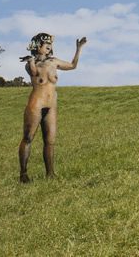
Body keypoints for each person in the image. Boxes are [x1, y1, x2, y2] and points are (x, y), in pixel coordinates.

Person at [18, 33, 87, 182]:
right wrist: (31, 61)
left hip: (51, 105)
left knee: (50, 140)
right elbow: (34, 72)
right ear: (37, 46)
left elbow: (73, 66)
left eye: (50, 44)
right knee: (28, 138)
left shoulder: (54, 62)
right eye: (45, 44)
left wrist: (78, 49)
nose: (49, 46)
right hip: (36, 103)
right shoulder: (31, 63)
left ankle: (50, 173)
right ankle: (23, 174)